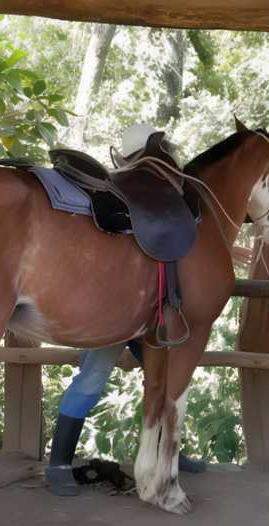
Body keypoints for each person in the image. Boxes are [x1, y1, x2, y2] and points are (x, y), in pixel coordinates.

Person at [45, 125, 206, 496]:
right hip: (117, 309)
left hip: (147, 309)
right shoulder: (128, 199)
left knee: (160, 376)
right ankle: (58, 464)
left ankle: (168, 452)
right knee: (94, 376)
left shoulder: (132, 200)